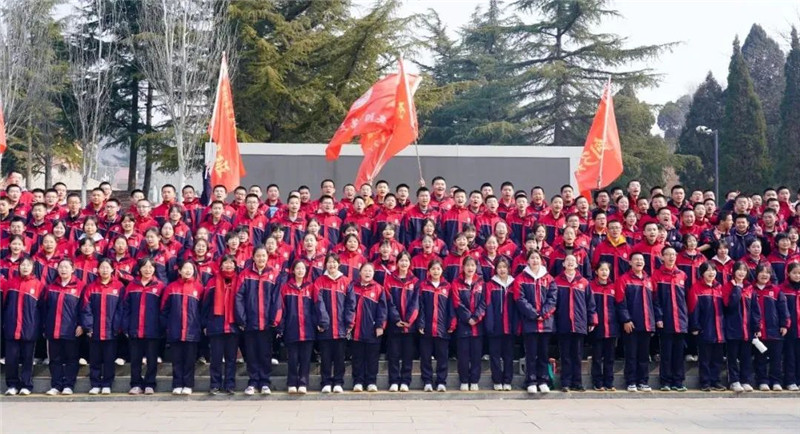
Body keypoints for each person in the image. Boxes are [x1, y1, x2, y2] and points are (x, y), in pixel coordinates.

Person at [235, 246, 282, 396]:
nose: (261, 258)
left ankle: (265, 382)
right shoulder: (245, 274)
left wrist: (275, 319)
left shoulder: (274, 274)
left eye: (263, 256)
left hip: (267, 323)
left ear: (267, 257)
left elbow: (277, 299)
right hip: (250, 322)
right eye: (258, 256)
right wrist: (241, 319)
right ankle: (253, 382)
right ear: (253, 257)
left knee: (265, 353)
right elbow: (239, 297)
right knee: (251, 353)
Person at [513, 249, 557, 395]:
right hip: (529, 323)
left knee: (543, 354)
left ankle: (543, 380)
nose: (535, 261)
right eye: (532, 258)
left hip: (545, 323)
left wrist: (543, 314)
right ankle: (531, 381)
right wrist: (534, 314)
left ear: (541, 260)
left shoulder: (549, 279)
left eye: (537, 258)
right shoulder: (521, 278)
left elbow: (552, 299)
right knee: (531, 354)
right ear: (527, 261)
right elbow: (519, 299)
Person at [121, 258, 164, 395]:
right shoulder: (132, 285)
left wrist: (161, 326)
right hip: (134, 328)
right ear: (139, 269)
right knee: (135, 359)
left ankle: (150, 384)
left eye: (151, 267)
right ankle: (136, 384)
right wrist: (125, 326)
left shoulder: (160, 286)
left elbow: (163, 309)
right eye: (144, 267)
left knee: (152, 359)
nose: (148, 270)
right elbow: (125, 308)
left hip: (152, 329)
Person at [161, 261, 205, 395]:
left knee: (189, 360)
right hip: (175, 330)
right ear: (179, 271)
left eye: (190, 268)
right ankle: (177, 384)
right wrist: (167, 326)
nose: (188, 271)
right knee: (177, 360)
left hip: (192, 330)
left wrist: (200, 325)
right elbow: (164, 309)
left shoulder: (199, 288)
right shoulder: (171, 287)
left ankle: (188, 384)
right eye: (185, 268)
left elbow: (202, 310)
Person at [2, 258, 45, 396]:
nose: (25, 267)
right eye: (22, 265)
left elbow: (42, 308)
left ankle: (26, 385)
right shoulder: (10, 283)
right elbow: (4, 304)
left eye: (28, 265)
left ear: (33, 267)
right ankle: (12, 385)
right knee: (11, 359)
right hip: (12, 326)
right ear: (18, 267)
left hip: (29, 328)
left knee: (28, 359)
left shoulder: (38, 285)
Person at [82, 259, 125, 395]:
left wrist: (117, 327)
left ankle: (107, 384)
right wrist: (89, 327)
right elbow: (86, 308)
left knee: (109, 359)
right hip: (94, 330)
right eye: (102, 267)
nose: (105, 270)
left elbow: (121, 309)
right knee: (94, 359)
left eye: (107, 267)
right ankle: (95, 384)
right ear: (98, 270)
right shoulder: (91, 287)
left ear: (112, 269)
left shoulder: (119, 287)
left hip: (111, 331)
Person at [554, 254, 596, 392]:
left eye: (573, 261)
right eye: (568, 260)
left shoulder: (584, 282)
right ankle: (565, 383)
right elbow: (553, 303)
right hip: (563, 322)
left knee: (577, 355)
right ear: (563, 264)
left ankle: (577, 383)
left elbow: (590, 303)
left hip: (579, 323)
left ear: (577, 265)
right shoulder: (557, 281)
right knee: (565, 355)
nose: (570, 262)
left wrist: (592, 320)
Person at [313, 253, 354, 394]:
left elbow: (350, 304)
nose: (332, 265)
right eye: (329, 262)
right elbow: (318, 303)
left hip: (341, 327)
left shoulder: (346, 281)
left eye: (334, 262)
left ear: (339, 264)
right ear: (325, 264)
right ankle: (325, 382)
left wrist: (349, 322)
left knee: (339, 357)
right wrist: (322, 322)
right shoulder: (319, 281)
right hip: (325, 327)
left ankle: (338, 382)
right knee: (325, 357)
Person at [44, 259, 85, 396]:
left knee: (71, 359)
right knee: (54, 359)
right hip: (53, 329)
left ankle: (68, 385)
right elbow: (45, 307)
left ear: (73, 269)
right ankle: (56, 385)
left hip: (71, 329)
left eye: (66, 267)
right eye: (61, 267)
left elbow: (84, 308)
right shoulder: (51, 286)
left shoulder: (80, 286)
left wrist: (82, 324)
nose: (63, 270)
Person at [616, 252, 656, 392]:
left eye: (641, 260)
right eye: (636, 259)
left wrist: (653, 322)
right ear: (630, 262)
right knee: (631, 355)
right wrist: (626, 319)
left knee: (644, 355)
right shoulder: (624, 279)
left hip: (646, 323)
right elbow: (620, 301)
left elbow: (654, 302)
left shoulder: (649, 280)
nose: (639, 262)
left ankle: (643, 381)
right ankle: (631, 381)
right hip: (631, 324)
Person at [652, 246, 689, 392]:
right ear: (662, 257)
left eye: (673, 254)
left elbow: (687, 299)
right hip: (665, 319)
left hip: (680, 320)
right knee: (666, 353)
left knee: (679, 353)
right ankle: (665, 381)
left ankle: (678, 381)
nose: (671, 257)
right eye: (667, 254)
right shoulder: (657, 275)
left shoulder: (682, 275)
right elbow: (655, 299)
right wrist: (659, 317)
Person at [278, 261, 317, 395]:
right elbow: (282, 309)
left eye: (302, 268)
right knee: (293, 359)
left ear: (306, 271)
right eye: (298, 268)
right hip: (292, 328)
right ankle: (292, 382)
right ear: (293, 271)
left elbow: (316, 307)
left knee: (305, 359)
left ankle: (303, 383)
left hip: (308, 329)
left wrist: (316, 323)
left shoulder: (311, 287)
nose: (300, 271)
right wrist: (281, 327)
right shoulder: (285, 288)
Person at [203, 255, 240, 395]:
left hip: (233, 326)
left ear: (235, 266)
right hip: (216, 325)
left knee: (231, 359)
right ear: (221, 265)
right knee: (216, 358)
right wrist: (205, 323)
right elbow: (205, 304)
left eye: (231, 263)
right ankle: (215, 384)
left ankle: (230, 384)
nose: (228, 265)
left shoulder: (239, 281)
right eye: (226, 263)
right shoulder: (212, 282)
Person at [750, 264, 789, 391]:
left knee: (776, 358)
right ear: (756, 274)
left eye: (767, 272)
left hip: (775, 331)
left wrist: (784, 325)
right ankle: (762, 381)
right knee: (760, 358)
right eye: (761, 272)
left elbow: (783, 309)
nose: (764, 275)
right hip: (758, 332)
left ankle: (776, 381)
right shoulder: (751, 289)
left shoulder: (776, 290)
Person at [722, 261, 760, 393]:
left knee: (746, 357)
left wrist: (756, 327)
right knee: (732, 357)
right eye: (739, 270)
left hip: (747, 329)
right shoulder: (727, 287)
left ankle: (745, 380)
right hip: (733, 328)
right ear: (733, 272)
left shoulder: (750, 288)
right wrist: (737, 288)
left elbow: (755, 309)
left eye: (744, 270)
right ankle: (734, 381)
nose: (742, 272)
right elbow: (729, 305)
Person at [384, 251, 420, 392]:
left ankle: (405, 381)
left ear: (410, 263)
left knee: (407, 355)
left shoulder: (415, 281)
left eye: (406, 260)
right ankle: (394, 381)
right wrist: (396, 319)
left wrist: (408, 321)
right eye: (401, 260)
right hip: (394, 325)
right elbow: (388, 301)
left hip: (410, 326)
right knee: (393, 354)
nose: (404, 263)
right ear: (397, 262)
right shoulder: (389, 279)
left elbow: (416, 303)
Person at [418, 259, 455, 392]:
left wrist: (452, 324)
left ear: (442, 271)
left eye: (438, 269)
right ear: (429, 271)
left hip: (442, 327)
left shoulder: (447, 286)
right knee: (425, 356)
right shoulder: (423, 286)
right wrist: (421, 323)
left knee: (442, 356)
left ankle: (441, 381)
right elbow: (420, 306)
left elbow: (451, 307)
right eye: (433, 269)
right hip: (427, 327)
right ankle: (427, 381)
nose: (435, 271)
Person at [349, 263, 387, 392]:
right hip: (356, 329)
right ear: (360, 272)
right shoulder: (352, 287)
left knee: (372, 357)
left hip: (372, 329)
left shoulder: (379, 288)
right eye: (365, 270)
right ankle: (358, 381)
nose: (367, 273)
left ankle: (371, 382)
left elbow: (383, 310)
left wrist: (380, 325)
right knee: (357, 357)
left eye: (370, 271)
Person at [688, 262, 726, 391]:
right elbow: (693, 309)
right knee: (705, 358)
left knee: (717, 358)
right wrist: (695, 326)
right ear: (702, 273)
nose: (711, 273)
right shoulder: (696, 288)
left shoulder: (719, 287)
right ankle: (705, 382)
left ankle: (716, 381)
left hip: (719, 329)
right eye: (708, 270)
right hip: (705, 328)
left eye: (713, 270)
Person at [451, 256, 486, 391]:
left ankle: (474, 380)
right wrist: (468, 318)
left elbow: (484, 302)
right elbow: (457, 303)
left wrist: (476, 317)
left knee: (476, 355)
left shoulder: (481, 282)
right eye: (467, 265)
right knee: (463, 355)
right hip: (463, 325)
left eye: (472, 265)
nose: (470, 268)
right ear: (463, 267)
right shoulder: (456, 283)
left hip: (478, 325)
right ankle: (464, 380)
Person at [484, 257, 516, 391]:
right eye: (499, 267)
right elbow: (488, 306)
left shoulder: (514, 284)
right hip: (495, 325)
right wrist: (489, 325)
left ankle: (507, 380)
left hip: (510, 325)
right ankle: (497, 380)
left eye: (504, 267)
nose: (502, 270)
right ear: (495, 269)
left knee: (508, 355)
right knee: (495, 355)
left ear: (509, 269)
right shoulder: (490, 285)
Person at [590, 262, 618, 391]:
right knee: (597, 357)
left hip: (611, 328)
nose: (604, 272)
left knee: (610, 357)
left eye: (606, 270)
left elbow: (618, 306)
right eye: (601, 270)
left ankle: (609, 382)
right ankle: (598, 382)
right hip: (597, 327)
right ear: (596, 271)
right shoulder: (591, 286)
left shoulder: (614, 287)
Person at [780, 262, 800, 391]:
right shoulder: (782, 289)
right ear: (788, 273)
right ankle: (790, 381)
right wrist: (784, 324)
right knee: (790, 356)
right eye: (794, 273)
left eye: (799, 273)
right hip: (790, 328)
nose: (797, 275)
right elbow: (781, 309)